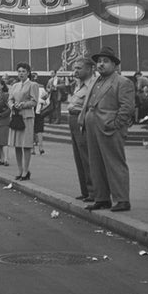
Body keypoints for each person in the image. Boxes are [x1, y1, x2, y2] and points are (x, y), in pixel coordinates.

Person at [81, 46, 135, 211]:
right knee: (96, 163)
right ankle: (102, 198)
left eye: (105, 61)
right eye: (99, 61)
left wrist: (116, 124)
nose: (101, 64)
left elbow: (127, 108)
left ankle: (122, 199)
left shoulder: (122, 82)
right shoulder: (97, 81)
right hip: (93, 127)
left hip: (109, 128)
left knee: (114, 163)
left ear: (114, 65)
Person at [65, 56, 98, 201]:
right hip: (73, 119)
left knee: (86, 156)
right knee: (79, 157)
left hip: (82, 120)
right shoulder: (79, 83)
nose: (75, 71)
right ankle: (85, 190)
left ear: (90, 69)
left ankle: (93, 192)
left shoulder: (94, 84)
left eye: (79, 68)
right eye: (74, 68)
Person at [8, 63, 41, 181]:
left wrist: (22, 105)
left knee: (26, 144)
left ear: (28, 72)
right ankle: (20, 169)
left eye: (23, 71)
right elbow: (10, 99)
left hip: (27, 117)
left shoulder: (33, 85)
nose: (21, 73)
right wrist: (12, 105)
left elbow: (34, 101)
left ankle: (26, 170)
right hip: (16, 116)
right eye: (19, 71)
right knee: (17, 144)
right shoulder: (15, 85)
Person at [30, 71, 47, 156]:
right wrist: (42, 105)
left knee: (31, 129)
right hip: (39, 111)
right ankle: (41, 147)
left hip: (31, 110)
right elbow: (46, 100)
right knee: (39, 130)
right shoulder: (41, 88)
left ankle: (32, 148)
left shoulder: (29, 87)